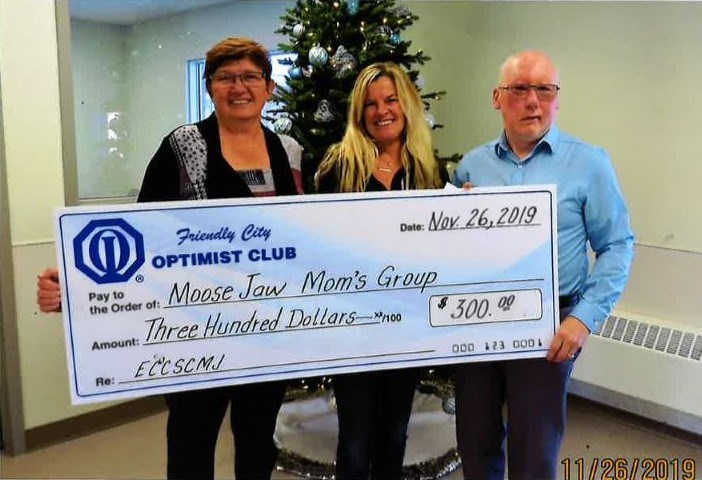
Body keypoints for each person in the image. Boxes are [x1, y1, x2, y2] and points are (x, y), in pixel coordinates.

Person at [36, 37, 303, 480]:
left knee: (257, 440)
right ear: (210, 87)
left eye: (250, 76)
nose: (238, 86)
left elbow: (308, 237)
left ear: (269, 88)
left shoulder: (289, 151)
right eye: (225, 77)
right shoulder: (183, 146)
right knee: (191, 443)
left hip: (265, 329)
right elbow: (140, 234)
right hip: (192, 331)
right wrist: (75, 283)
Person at [451, 50, 634, 480]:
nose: (533, 100)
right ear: (497, 97)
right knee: (474, 443)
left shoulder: (589, 163)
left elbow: (618, 245)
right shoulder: (471, 166)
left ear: (557, 99)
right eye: (520, 89)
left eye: (544, 90)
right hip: (479, 322)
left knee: (534, 451)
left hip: (549, 325)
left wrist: (582, 320)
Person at [315, 62, 448, 479]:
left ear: (406, 104)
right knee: (354, 440)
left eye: (391, 100)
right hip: (352, 328)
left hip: (406, 327)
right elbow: (320, 247)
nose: (382, 110)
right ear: (359, 113)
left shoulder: (429, 169)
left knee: (394, 434)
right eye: (370, 104)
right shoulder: (338, 167)